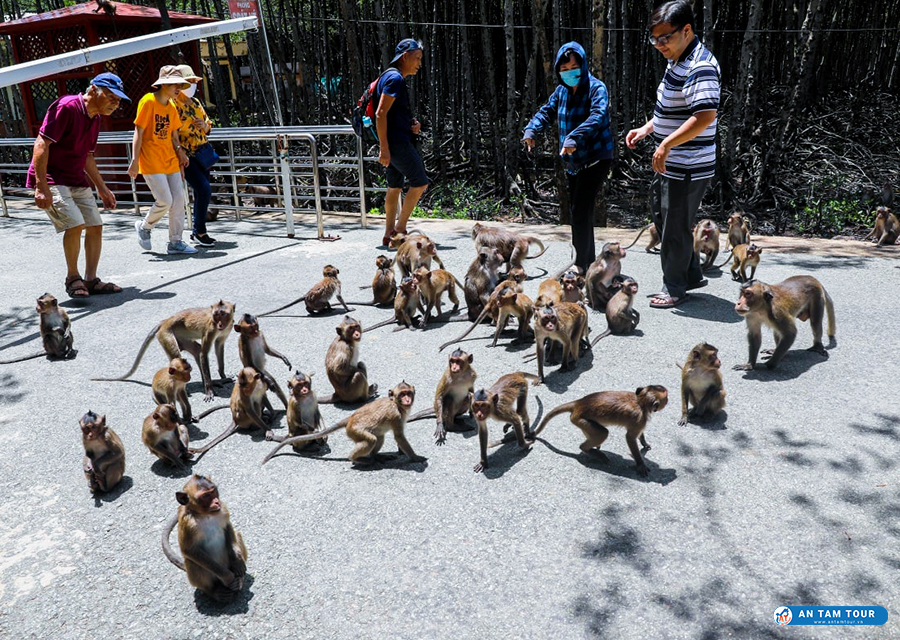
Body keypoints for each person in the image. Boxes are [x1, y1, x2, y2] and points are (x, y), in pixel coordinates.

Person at [626, 0, 720, 308]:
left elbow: (704, 116)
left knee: (675, 225)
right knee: (664, 217)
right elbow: (675, 110)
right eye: (655, 38)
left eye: (665, 37)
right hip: (674, 161)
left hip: (687, 162)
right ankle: (690, 273)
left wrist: (667, 144)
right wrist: (649, 129)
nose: (659, 44)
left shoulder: (700, 66)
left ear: (687, 30)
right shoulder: (678, 59)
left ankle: (674, 287)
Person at [26, 73, 130, 297]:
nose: (116, 103)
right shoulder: (67, 106)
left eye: (118, 100)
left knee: (95, 225)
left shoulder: (96, 117)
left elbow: (88, 157)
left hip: (75, 177)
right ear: (93, 90)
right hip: (52, 176)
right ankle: (73, 278)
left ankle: (91, 280)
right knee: (74, 224)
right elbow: (41, 143)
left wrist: (102, 188)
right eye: (111, 97)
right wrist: (40, 186)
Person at [523, 42, 615, 274]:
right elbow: (547, 111)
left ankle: (581, 265)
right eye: (564, 68)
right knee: (578, 211)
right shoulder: (562, 91)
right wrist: (532, 129)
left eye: (574, 67)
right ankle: (588, 261)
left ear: (583, 65)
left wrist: (574, 138)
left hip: (595, 157)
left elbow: (597, 115)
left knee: (580, 209)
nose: (570, 72)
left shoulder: (596, 88)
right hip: (574, 161)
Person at [128, 65, 196, 255]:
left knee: (178, 200)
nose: (178, 89)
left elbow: (174, 135)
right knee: (165, 200)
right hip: (150, 160)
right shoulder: (148, 101)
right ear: (164, 85)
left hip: (170, 160)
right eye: (175, 85)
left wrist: (180, 153)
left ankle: (175, 242)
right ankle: (145, 226)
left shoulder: (172, 106)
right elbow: (138, 132)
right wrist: (134, 160)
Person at [374, 38, 427, 247]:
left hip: (395, 139)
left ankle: (388, 234)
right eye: (417, 58)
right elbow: (380, 114)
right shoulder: (395, 79)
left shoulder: (387, 76)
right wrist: (384, 148)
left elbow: (390, 114)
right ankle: (399, 229)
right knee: (420, 182)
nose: (419, 64)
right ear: (405, 57)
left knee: (394, 186)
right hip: (396, 143)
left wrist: (411, 125)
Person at [173, 64, 217, 248]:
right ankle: (200, 231)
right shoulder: (174, 104)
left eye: (193, 81)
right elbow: (173, 131)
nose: (192, 85)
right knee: (204, 189)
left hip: (203, 153)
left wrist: (204, 126)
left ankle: (197, 230)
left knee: (202, 192)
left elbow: (208, 126)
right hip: (187, 155)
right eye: (188, 82)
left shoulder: (196, 103)